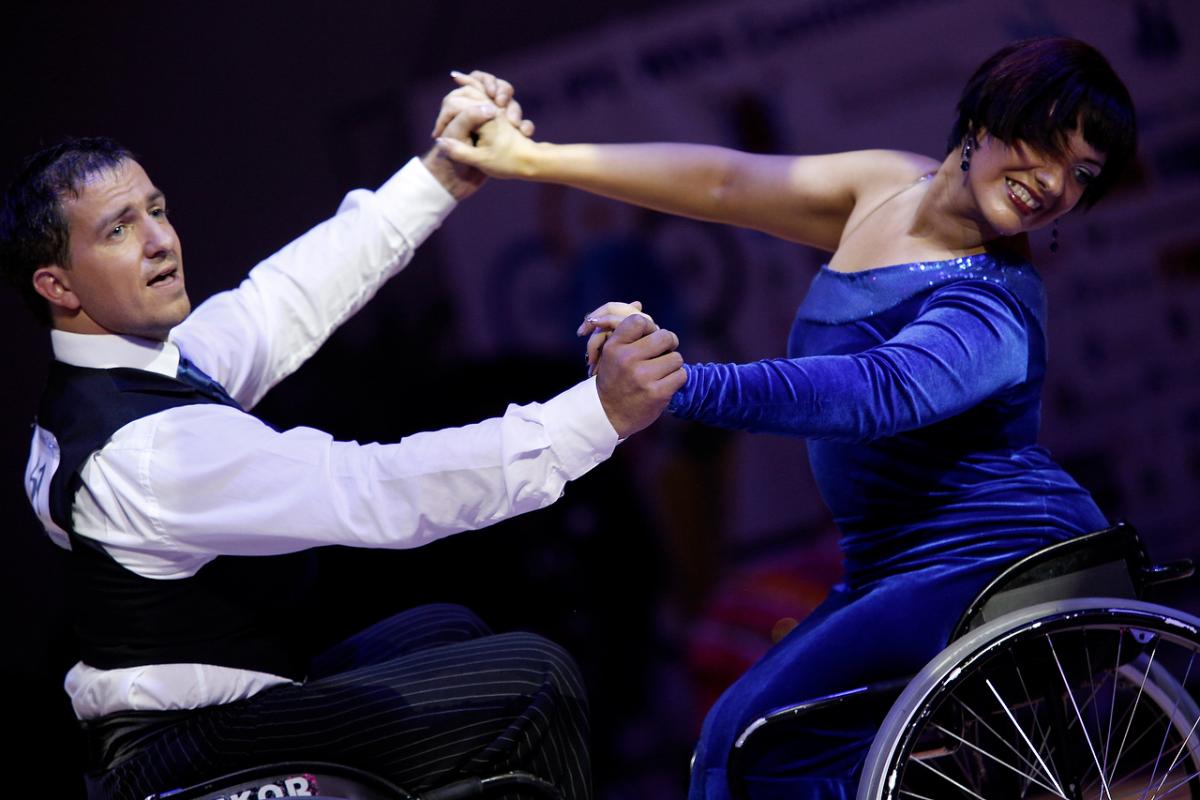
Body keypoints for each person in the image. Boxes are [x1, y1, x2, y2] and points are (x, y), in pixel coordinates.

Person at [440, 38, 1138, 798]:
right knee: (747, 743)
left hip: (992, 563)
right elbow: (722, 183)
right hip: (895, 567)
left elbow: (869, 392)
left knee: (746, 743)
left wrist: (678, 385)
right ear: (981, 116)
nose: (1053, 183)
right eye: (1042, 142)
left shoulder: (991, 306)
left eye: (1082, 174)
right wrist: (533, 160)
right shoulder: (886, 184)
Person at [0, 73, 685, 799]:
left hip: (215, 707)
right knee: (535, 678)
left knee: (444, 630)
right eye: (119, 229)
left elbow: (283, 302)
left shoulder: (124, 374)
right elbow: (375, 490)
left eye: (156, 210)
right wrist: (595, 416)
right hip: (182, 746)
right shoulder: (146, 450)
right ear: (59, 287)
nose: (161, 241)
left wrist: (444, 174)